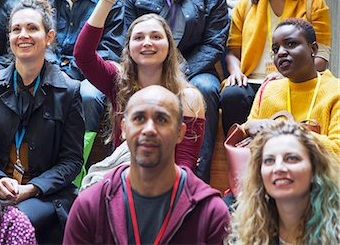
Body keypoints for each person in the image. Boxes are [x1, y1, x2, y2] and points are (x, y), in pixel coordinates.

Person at [0, 0, 84, 243]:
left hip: (45, 193)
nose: (23, 35)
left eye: (32, 28)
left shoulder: (69, 91)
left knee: (13, 221)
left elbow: (72, 160)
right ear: (9, 37)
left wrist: (32, 188)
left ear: (49, 37)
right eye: (16, 29)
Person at [75, 0, 206, 171]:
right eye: (138, 38)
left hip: (168, 184)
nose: (147, 42)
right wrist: (107, 0)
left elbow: (185, 165)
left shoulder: (188, 97)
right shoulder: (118, 82)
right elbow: (83, 55)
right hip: (122, 177)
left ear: (169, 46)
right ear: (128, 49)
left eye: (156, 36)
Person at [64, 85, 230, 244]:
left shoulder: (210, 212)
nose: (149, 129)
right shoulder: (90, 204)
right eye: (139, 118)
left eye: (162, 119)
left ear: (180, 132)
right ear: (123, 129)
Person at [125, 0, 229, 183]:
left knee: (205, 89)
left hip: (196, 68)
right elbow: (128, 40)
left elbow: (214, 44)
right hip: (147, 67)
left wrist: (175, 75)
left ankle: (195, 179)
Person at [221, 0, 331, 135]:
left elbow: (321, 55)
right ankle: (238, 158)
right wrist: (236, 72)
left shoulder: (313, 2)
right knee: (232, 94)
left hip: (293, 81)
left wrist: (288, 75)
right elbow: (233, 51)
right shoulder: (245, 5)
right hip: (251, 82)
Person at [44, 0, 124, 177]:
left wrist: (70, 75)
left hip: (90, 74)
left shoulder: (109, 2)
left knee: (87, 96)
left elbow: (110, 48)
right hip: (48, 69)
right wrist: (57, 73)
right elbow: (40, 40)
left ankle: (76, 171)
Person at [226, 121, 340, 244]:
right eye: (269, 160)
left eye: (291, 158)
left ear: (314, 169)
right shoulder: (247, 233)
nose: (278, 168)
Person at [244, 18, 340, 155]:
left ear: (313, 48)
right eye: (275, 49)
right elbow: (247, 129)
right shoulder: (269, 89)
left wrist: (282, 130)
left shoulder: (335, 90)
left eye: (291, 44)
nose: (281, 53)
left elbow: (337, 149)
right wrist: (248, 126)